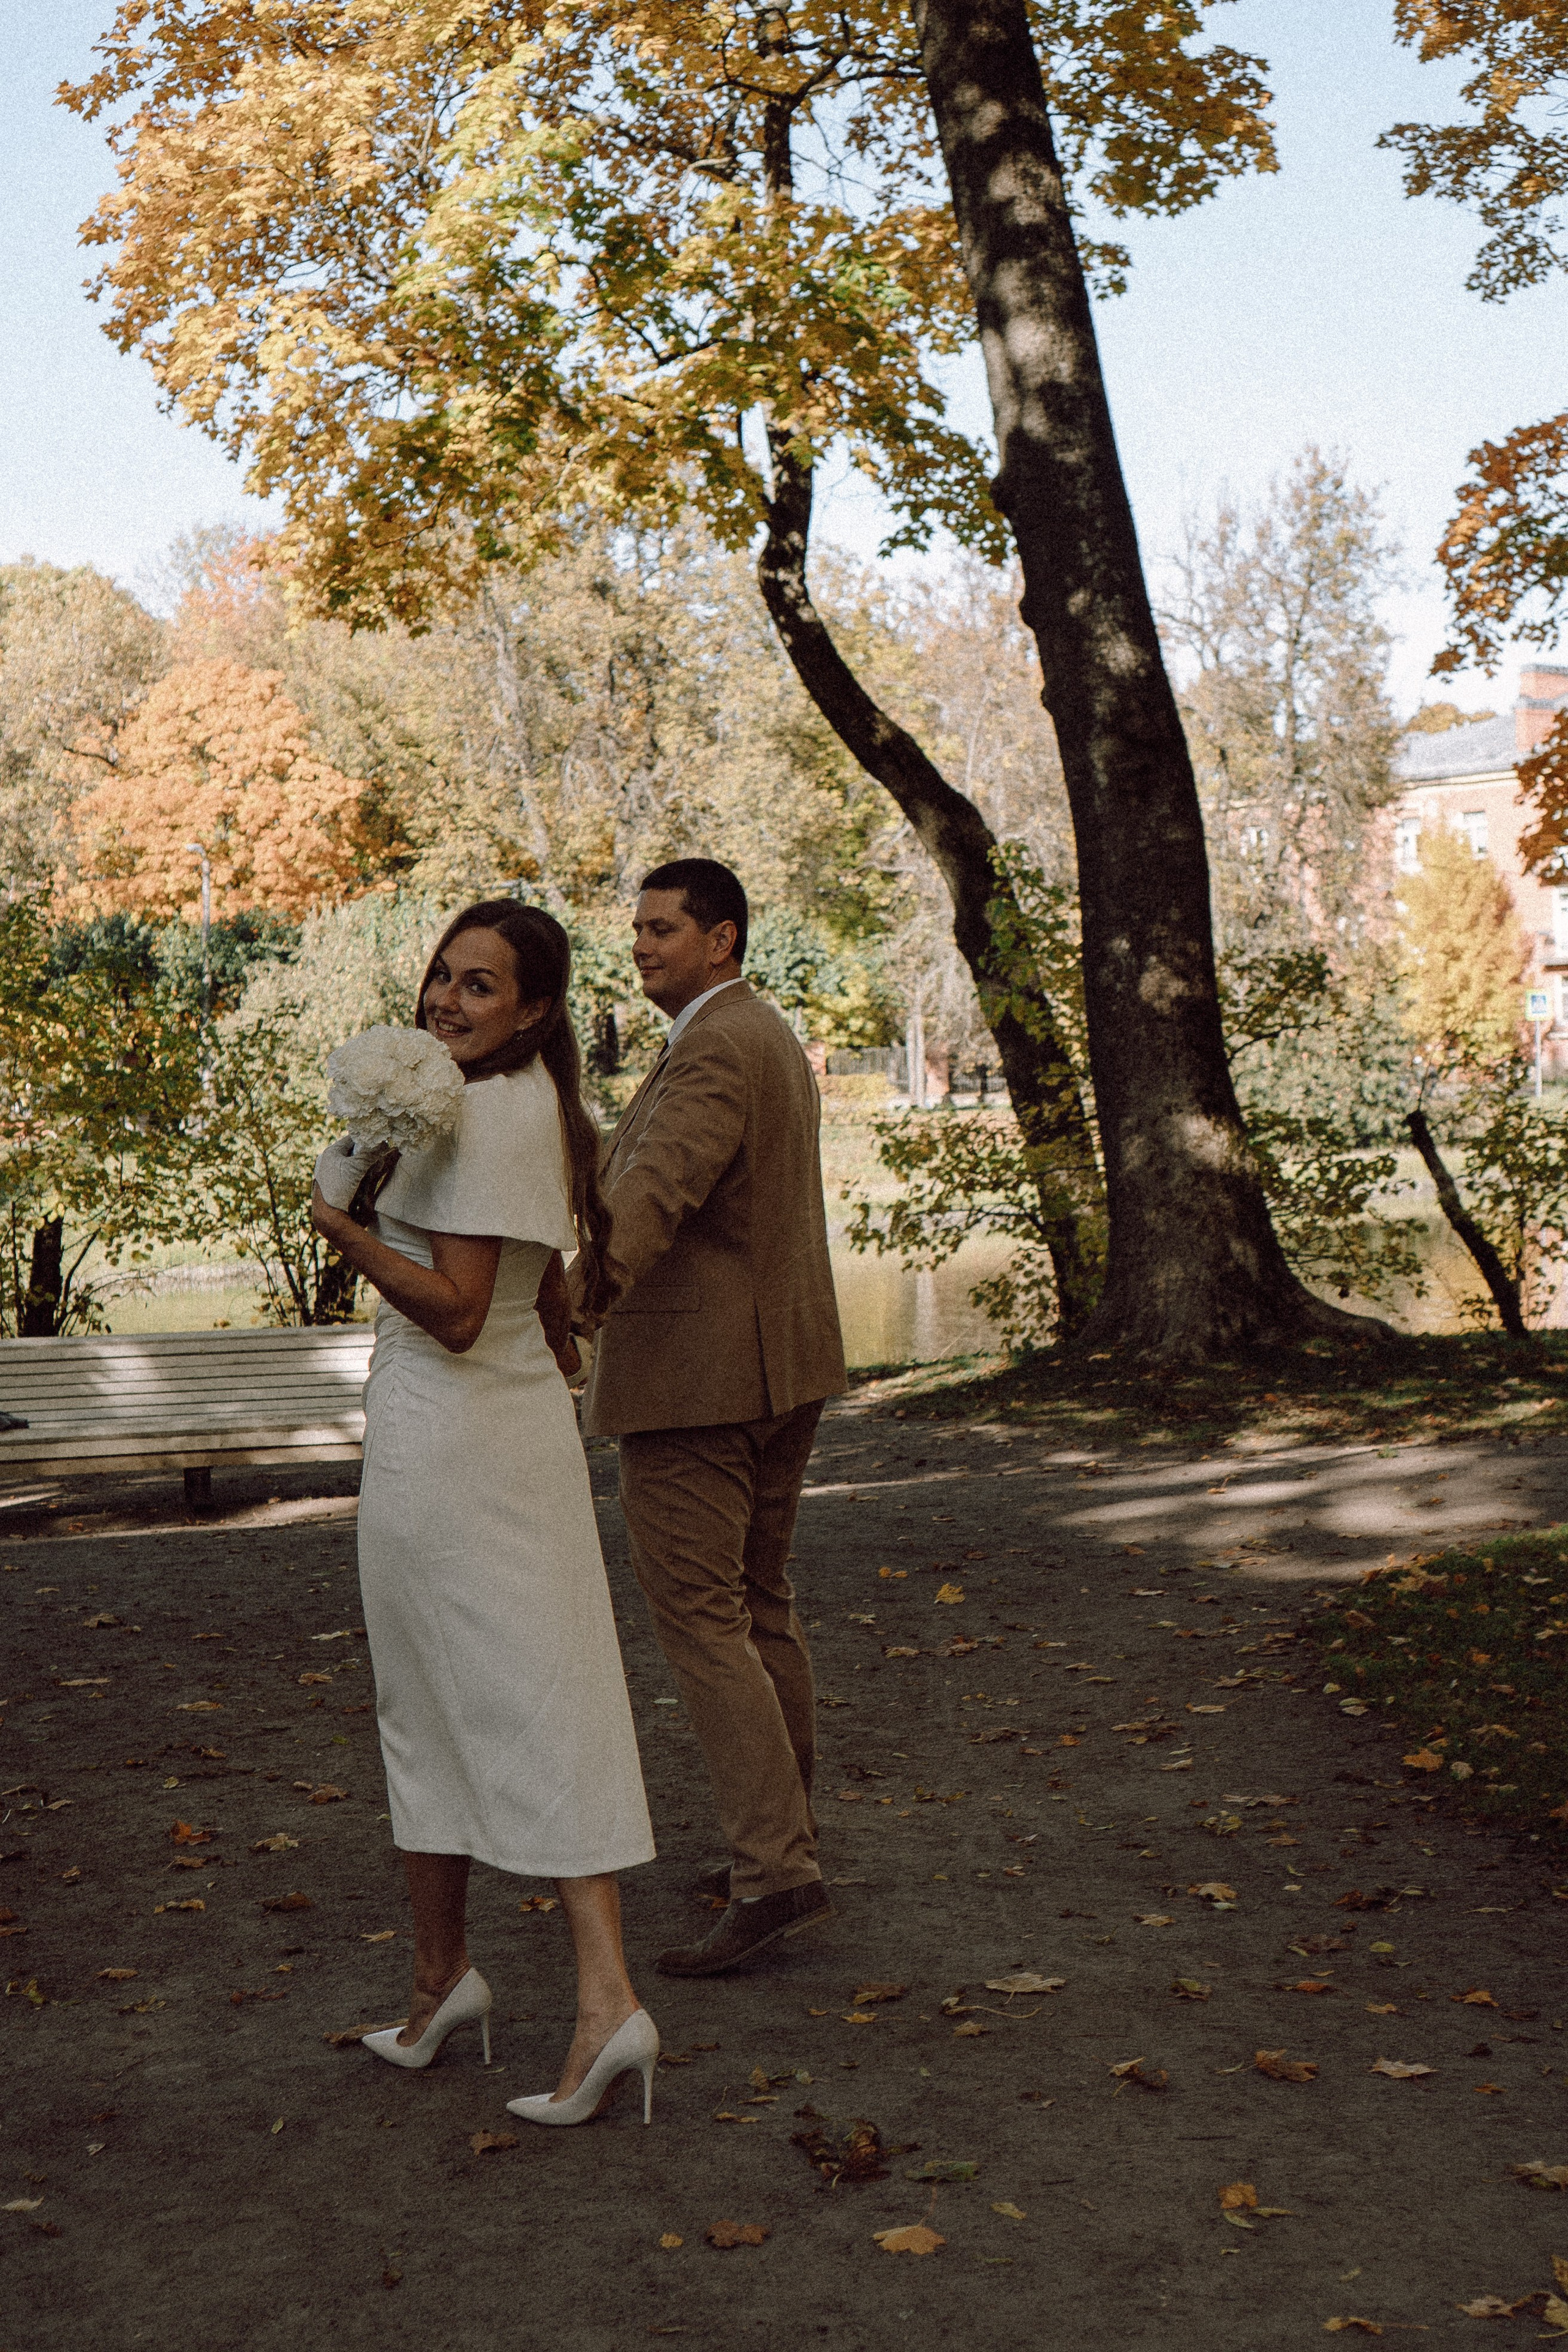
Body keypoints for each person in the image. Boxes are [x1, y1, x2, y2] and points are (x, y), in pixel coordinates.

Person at [310, 900, 660, 2127]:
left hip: (461, 1446)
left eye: (481, 986)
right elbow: (540, 1294)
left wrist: (343, 1229)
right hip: (468, 1436)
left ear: (534, 1012)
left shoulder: (496, 1114)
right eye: (441, 979)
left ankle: (606, 2000)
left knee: (528, 1706)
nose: (448, 1002)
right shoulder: (517, 1108)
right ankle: (439, 1980)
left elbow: (457, 1310)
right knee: (431, 1703)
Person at [571, 859, 846, 1977]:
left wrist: (572, 1312)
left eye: (663, 930)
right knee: (760, 1609)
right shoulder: (760, 1033)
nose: (641, 945)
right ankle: (783, 1846)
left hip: (701, 1380)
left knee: (704, 1623)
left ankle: (775, 1873)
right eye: (636, 929)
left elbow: (657, 1191)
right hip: (777, 1366)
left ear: (722, 939)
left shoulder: (719, 1042)